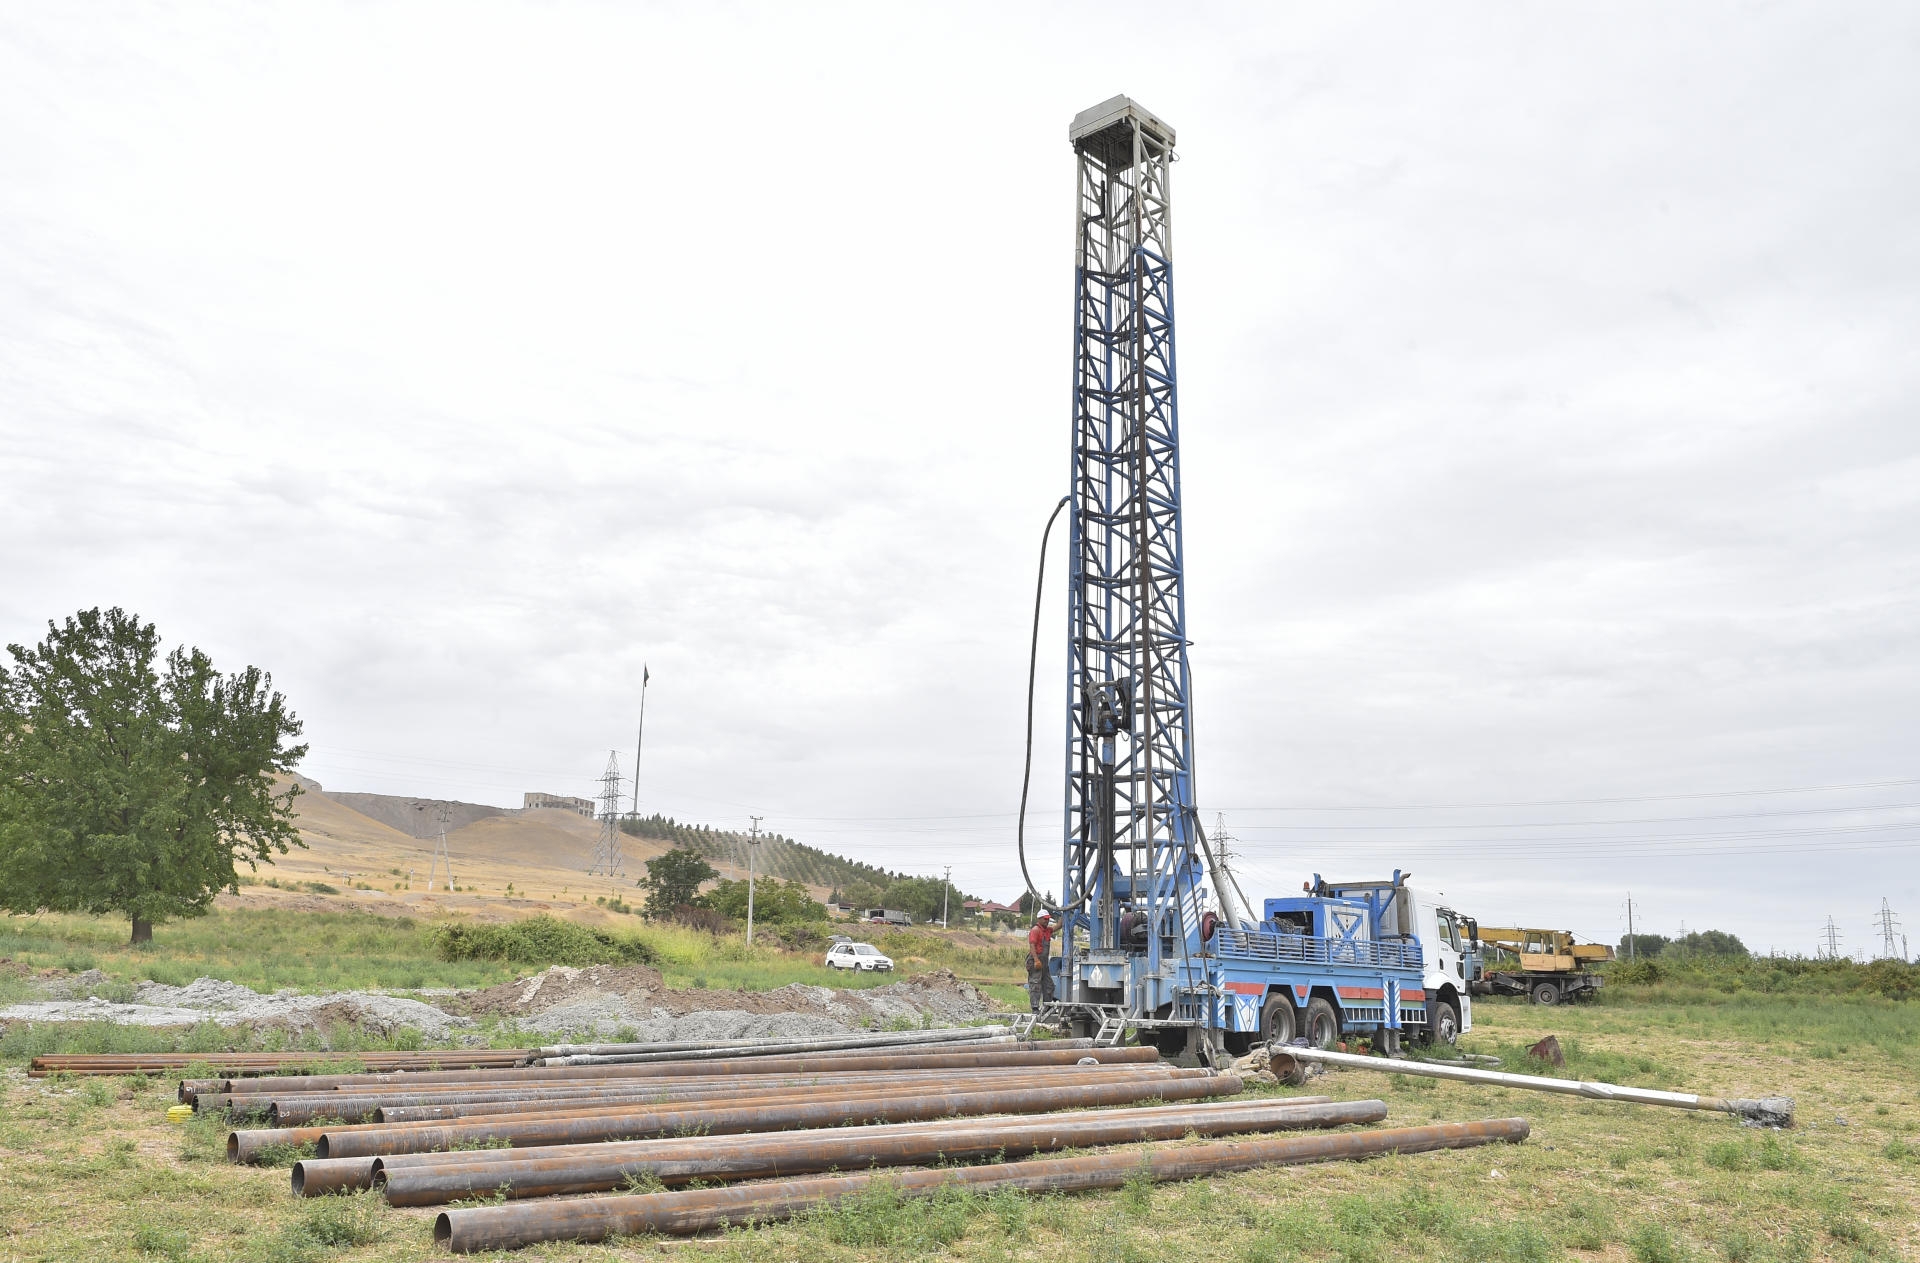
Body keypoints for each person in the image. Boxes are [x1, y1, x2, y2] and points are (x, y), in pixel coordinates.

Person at [1026, 911, 1057, 1012]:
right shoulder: (1035, 930)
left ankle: (1047, 1006)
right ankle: (1035, 1008)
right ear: (1039, 919)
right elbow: (1032, 946)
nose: (1047, 921)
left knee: (1049, 985)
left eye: (1048, 919)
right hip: (1036, 961)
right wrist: (1036, 960)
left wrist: (1064, 916)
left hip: (1044, 963)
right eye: (1045, 919)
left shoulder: (1047, 931)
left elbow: (1058, 926)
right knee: (1035, 984)